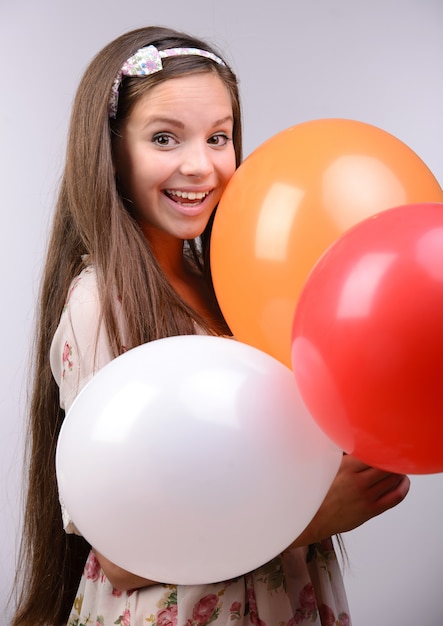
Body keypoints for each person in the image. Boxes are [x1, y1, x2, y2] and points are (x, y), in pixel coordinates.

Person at [11, 25, 410, 626]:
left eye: (218, 137)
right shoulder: (103, 303)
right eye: (165, 138)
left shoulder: (235, 285)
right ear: (111, 148)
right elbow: (121, 554)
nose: (200, 166)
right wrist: (310, 516)